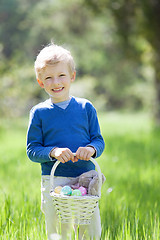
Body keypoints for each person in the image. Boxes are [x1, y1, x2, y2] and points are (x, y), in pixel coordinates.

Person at [26, 43, 105, 240]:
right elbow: (32, 150)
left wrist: (91, 149)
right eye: (48, 78)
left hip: (86, 178)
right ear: (40, 82)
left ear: (72, 76)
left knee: (90, 231)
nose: (56, 82)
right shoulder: (39, 112)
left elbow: (98, 140)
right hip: (55, 181)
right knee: (58, 232)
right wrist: (53, 152)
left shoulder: (86, 107)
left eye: (61, 75)